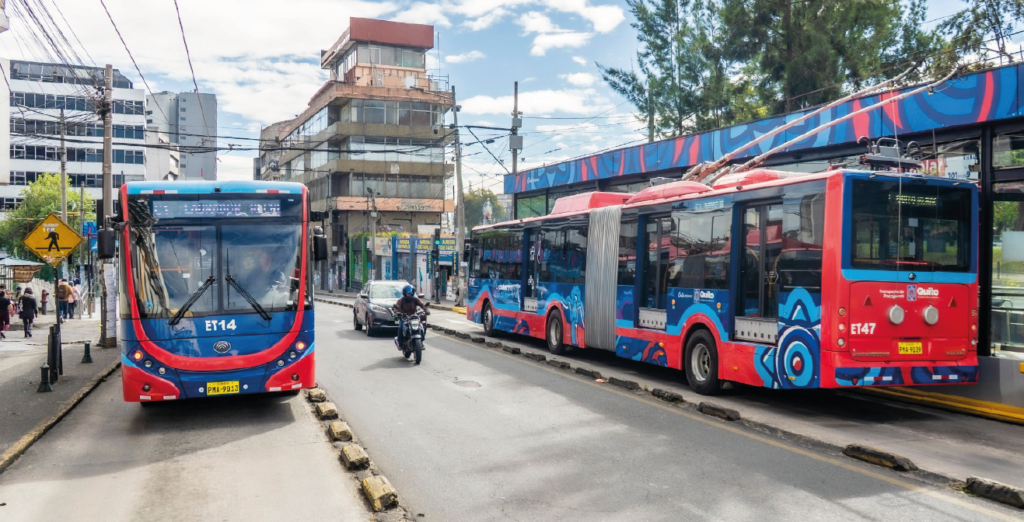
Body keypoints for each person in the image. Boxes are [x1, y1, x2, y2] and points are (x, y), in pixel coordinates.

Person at [392, 284, 429, 351]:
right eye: (408, 293)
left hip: (414, 317)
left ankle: (421, 342)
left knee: (421, 327)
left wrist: (426, 310)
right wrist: (397, 312)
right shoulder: (401, 300)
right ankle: (400, 343)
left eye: (410, 293)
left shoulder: (415, 299)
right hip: (404, 317)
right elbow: (396, 307)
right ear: (404, 293)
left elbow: (422, 305)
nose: (409, 294)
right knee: (401, 328)